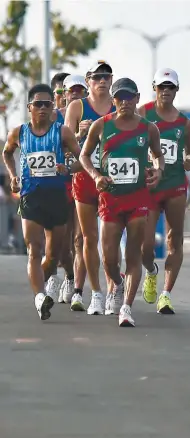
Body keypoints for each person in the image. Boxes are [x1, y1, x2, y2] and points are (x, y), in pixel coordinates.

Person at [80, 77, 164, 327]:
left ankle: (126, 307)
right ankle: (117, 282)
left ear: (137, 98)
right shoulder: (101, 126)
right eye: (119, 97)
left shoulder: (149, 129)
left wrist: (158, 171)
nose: (124, 102)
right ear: (113, 100)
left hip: (138, 197)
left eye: (129, 97)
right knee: (108, 259)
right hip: (110, 198)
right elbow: (84, 155)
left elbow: (158, 156)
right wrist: (96, 176)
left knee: (133, 255)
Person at [2, 84, 82, 320]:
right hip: (31, 197)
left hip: (57, 198)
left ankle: (46, 284)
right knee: (33, 251)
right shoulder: (19, 133)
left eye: (48, 103)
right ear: (29, 107)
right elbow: (7, 153)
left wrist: (66, 167)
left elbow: (82, 159)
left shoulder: (63, 132)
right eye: (38, 104)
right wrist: (14, 175)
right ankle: (39, 298)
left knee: (54, 255)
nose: (44, 108)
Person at [138, 68, 190, 314]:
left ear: (176, 90)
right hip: (150, 187)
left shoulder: (185, 124)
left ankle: (166, 294)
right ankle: (151, 271)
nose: (165, 91)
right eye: (161, 86)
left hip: (175, 186)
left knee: (175, 241)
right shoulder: (143, 113)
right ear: (154, 88)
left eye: (170, 87)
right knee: (146, 245)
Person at [65, 61, 120, 315]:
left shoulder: (119, 105)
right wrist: (79, 133)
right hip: (85, 178)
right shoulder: (78, 106)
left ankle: (112, 290)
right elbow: (65, 144)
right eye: (97, 77)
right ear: (88, 81)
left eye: (106, 76)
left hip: (111, 179)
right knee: (88, 238)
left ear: (111, 80)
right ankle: (95, 293)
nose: (102, 81)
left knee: (111, 240)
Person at [46, 75, 89, 304]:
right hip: (60, 182)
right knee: (60, 240)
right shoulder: (53, 118)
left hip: (81, 179)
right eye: (70, 91)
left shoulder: (90, 115)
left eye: (80, 91)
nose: (74, 95)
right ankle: (67, 274)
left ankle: (75, 285)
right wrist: (77, 136)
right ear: (62, 94)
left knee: (78, 238)